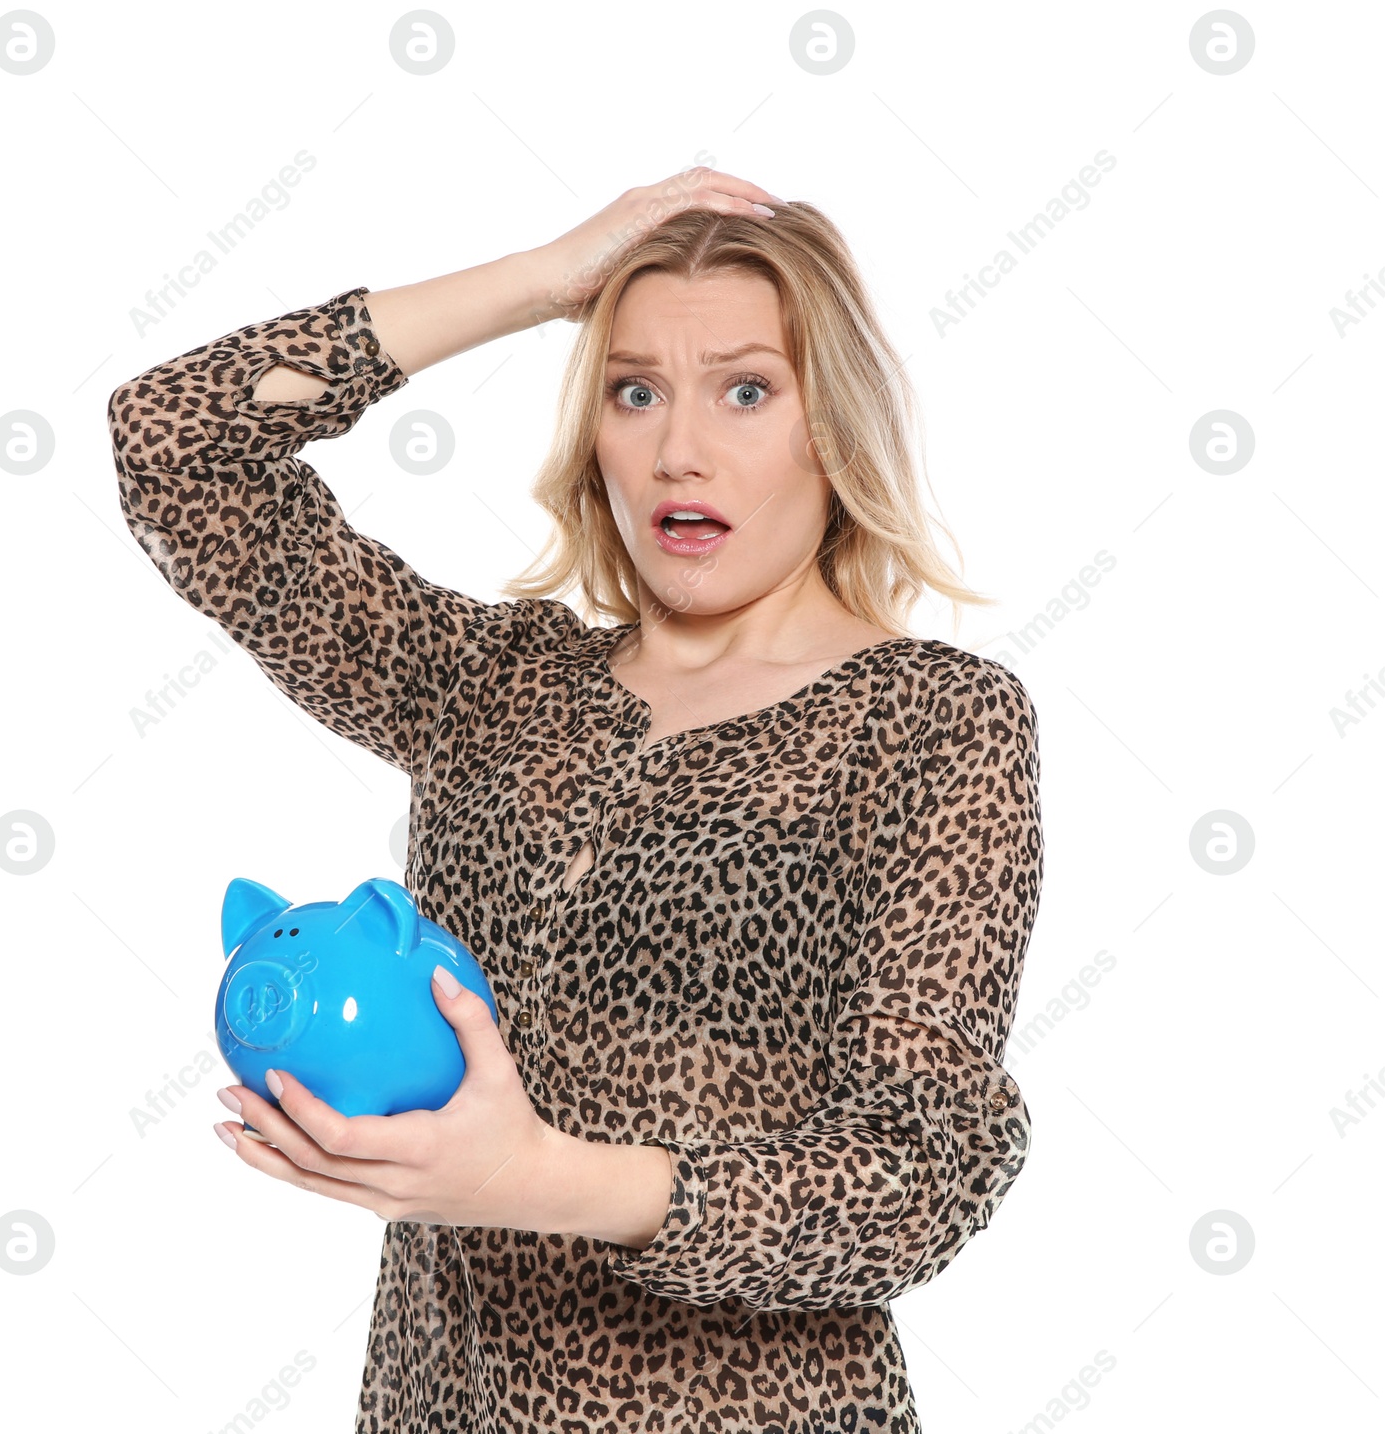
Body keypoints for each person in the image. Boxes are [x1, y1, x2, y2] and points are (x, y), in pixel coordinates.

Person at [106, 169, 1044, 1433]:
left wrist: (543, 1178)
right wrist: (544, 280)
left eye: (747, 390)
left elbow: (918, 1169)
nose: (677, 450)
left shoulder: (933, 723)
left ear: (835, 429)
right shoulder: (495, 683)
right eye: (633, 389)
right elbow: (174, 442)